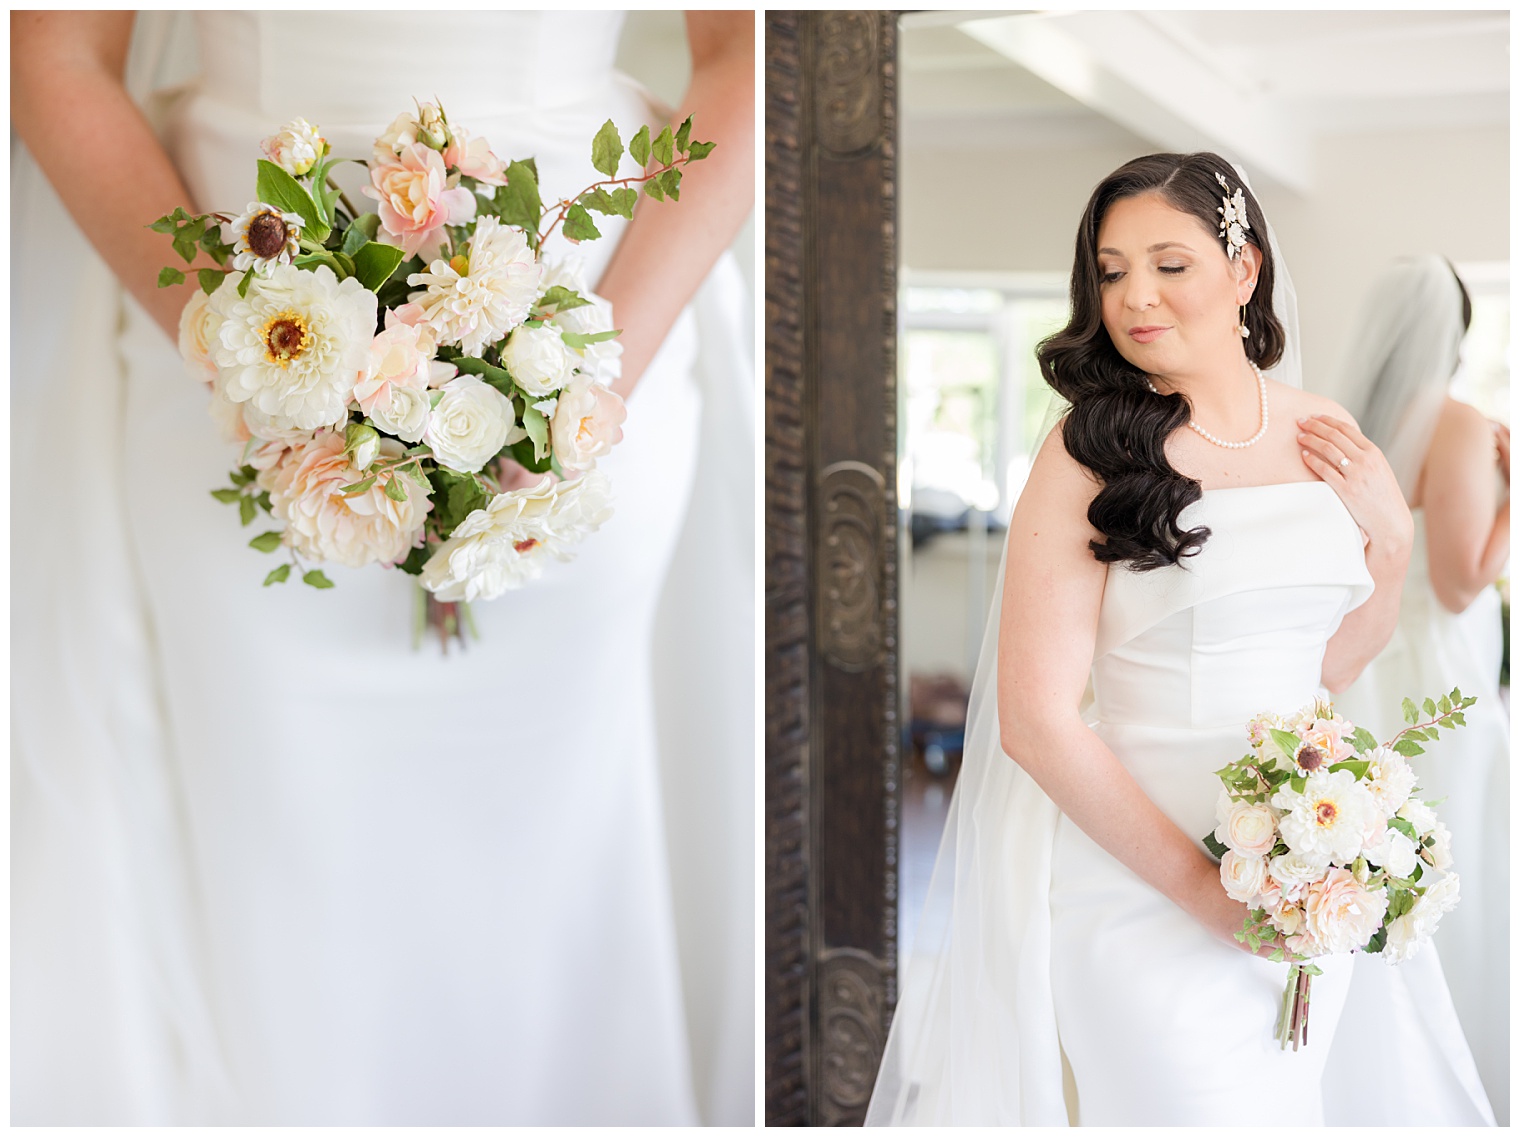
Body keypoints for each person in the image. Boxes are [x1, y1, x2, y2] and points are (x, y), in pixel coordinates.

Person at [11, 11, 754, 1125]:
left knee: (559, 828)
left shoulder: (596, 362)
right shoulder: (222, 347)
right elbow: (56, 53)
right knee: (276, 822)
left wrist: (588, 384)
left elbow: (751, 53)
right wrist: (232, 346)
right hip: (219, 316)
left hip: (592, 312)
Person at [866, 153, 1494, 1126]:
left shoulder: (1322, 427)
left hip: (1303, 869)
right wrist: (1207, 894)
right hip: (1139, 892)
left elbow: (1334, 662)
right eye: (1110, 271)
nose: (1133, 297)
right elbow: (1034, 722)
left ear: (1241, 270)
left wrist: (1392, 535)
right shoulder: (1089, 450)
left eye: (1168, 264)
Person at [1327, 256, 1510, 1123]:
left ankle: (1375, 1071)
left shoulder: (1348, 427)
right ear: (1458, 336)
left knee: (1378, 869)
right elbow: (1460, 582)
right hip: (1443, 687)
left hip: (1366, 675)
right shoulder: (1461, 424)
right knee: (1458, 863)